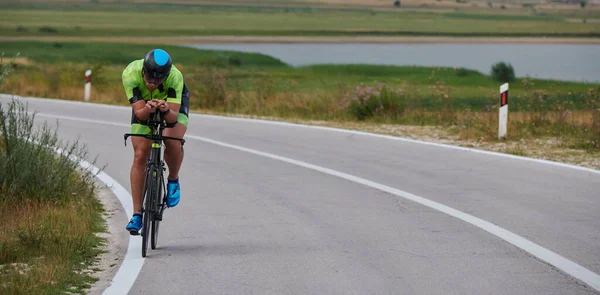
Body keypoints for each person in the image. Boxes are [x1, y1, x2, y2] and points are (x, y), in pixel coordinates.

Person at [121, 48, 190, 235]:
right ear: (143, 71)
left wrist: (166, 109)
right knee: (139, 155)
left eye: (158, 80)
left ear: (166, 76)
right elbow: (140, 114)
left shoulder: (175, 77)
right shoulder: (130, 73)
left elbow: (173, 119)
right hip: (144, 106)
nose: (152, 84)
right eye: (149, 79)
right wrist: (149, 109)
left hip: (172, 106)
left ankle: (173, 179)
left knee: (172, 139)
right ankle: (137, 214)